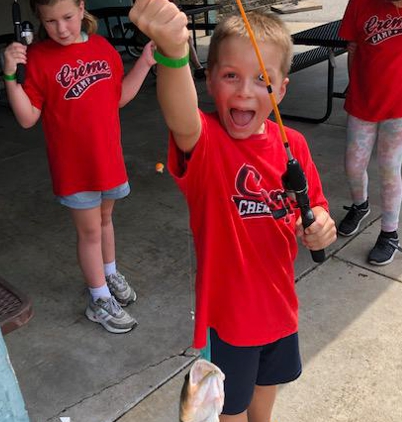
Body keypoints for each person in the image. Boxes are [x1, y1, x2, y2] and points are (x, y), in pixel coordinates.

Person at [129, 1, 336, 421]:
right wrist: (172, 52)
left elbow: (314, 204)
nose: (245, 91)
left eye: (263, 80)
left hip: (281, 312)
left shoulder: (293, 143)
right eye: (230, 76)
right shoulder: (206, 144)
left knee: (264, 405)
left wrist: (320, 224)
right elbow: (180, 117)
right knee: (232, 413)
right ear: (209, 82)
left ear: (281, 91)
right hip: (232, 325)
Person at [3, 0, 156, 334]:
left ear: (82, 7)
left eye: (68, 17)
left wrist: (144, 63)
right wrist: (11, 76)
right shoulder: (39, 58)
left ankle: (109, 273)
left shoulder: (103, 48)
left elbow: (117, 98)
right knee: (89, 233)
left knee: (105, 222)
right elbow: (28, 118)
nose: (61, 28)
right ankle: (98, 298)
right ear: (40, 21)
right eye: (51, 21)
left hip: (108, 159)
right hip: (74, 168)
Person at [337, 0, 402, 265]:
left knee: (390, 167)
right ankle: (360, 204)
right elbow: (353, 49)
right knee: (353, 165)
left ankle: (390, 233)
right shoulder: (360, 3)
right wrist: (355, 87)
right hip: (364, 100)